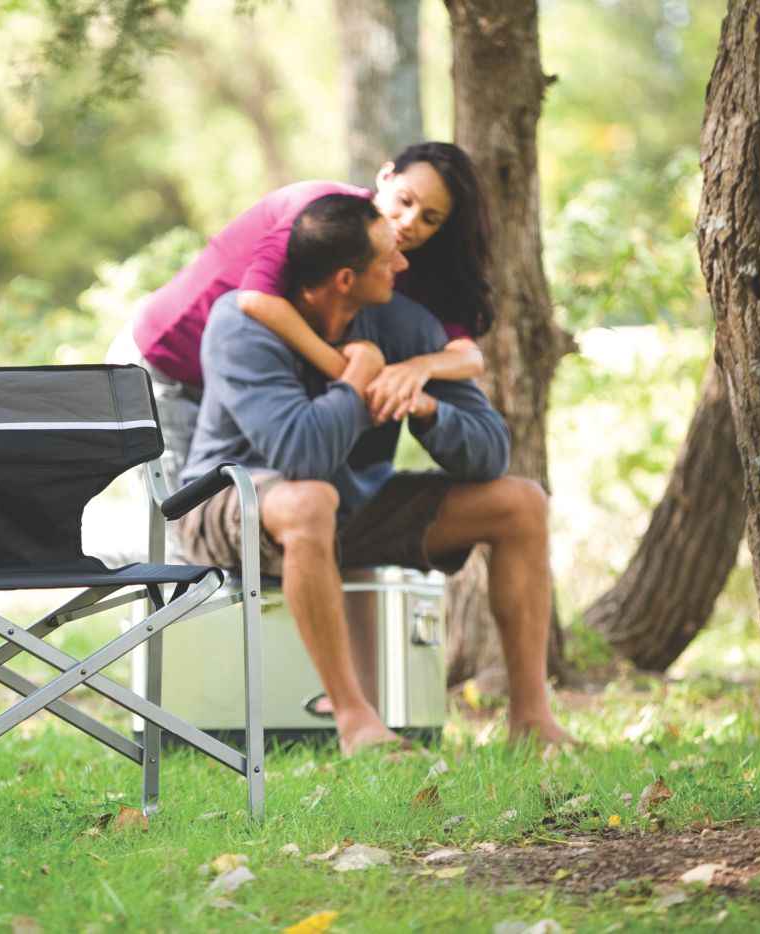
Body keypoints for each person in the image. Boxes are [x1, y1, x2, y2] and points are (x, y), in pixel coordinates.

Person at [176, 193, 570, 755]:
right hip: (227, 502)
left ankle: (532, 720)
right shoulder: (240, 326)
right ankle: (356, 721)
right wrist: (358, 379)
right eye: (388, 259)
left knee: (521, 503)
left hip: (348, 507)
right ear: (345, 279)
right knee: (310, 499)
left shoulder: (403, 323)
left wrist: (428, 408)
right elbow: (301, 456)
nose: (404, 264)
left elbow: (490, 453)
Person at [111, 142, 493, 490]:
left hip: (241, 386)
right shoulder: (320, 212)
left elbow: (469, 356)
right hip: (166, 363)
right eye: (405, 200)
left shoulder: (397, 264)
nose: (409, 221)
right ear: (386, 176)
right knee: (184, 521)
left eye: (430, 219)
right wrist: (355, 374)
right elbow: (256, 298)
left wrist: (418, 369)